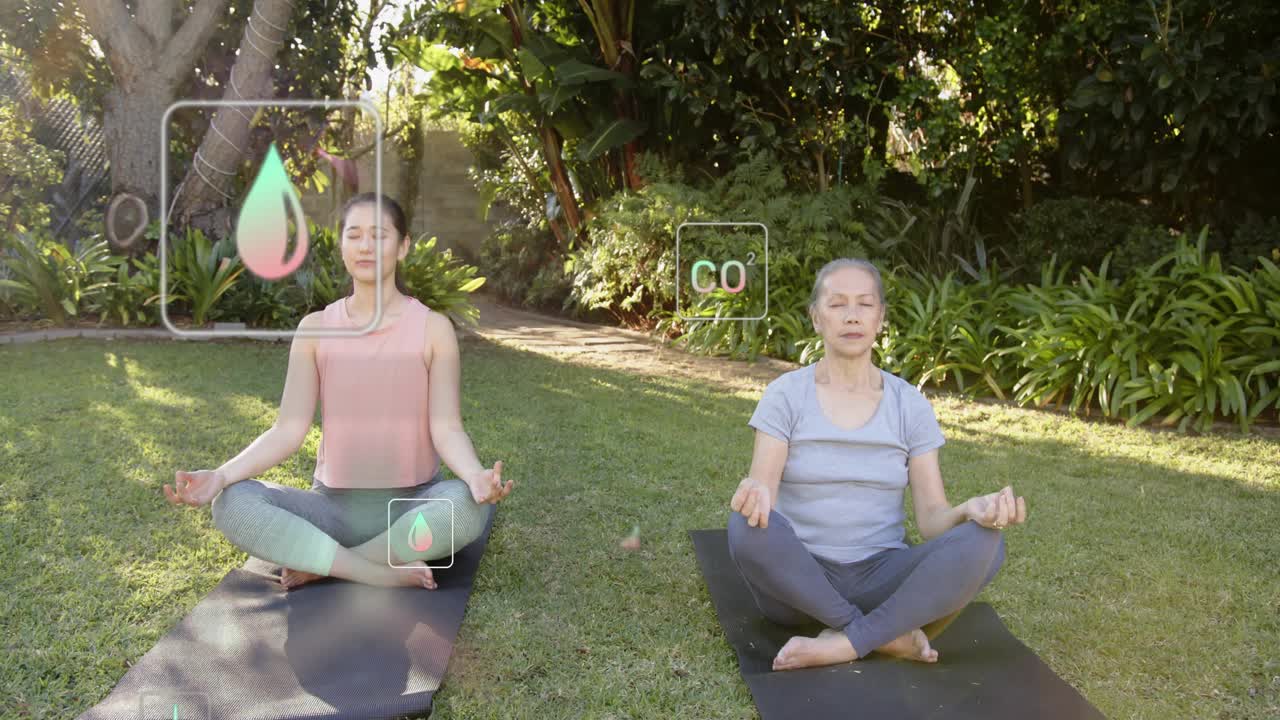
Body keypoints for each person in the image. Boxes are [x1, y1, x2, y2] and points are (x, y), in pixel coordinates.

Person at [165, 192, 512, 590]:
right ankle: (372, 569)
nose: (365, 246)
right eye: (354, 234)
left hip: (412, 506)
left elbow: (447, 427)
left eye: (378, 235)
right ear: (342, 245)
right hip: (332, 509)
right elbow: (287, 430)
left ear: (402, 247)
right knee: (232, 502)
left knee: (466, 507)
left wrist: (473, 475)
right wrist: (221, 475)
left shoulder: (433, 329)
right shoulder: (315, 329)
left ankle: (328, 564)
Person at [727, 257, 1027, 670]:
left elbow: (931, 520)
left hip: (883, 578)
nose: (852, 316)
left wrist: (968, 511)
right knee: (744, 525)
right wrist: (755, 493)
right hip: (800, 583)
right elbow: (764, 493)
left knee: (986, 542)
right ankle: (882, 635)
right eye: (837, 304)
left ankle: (846, 642)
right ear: (816, 318)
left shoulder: (909, 404)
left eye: (865, 304)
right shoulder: (785, 395)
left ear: (880, 317)